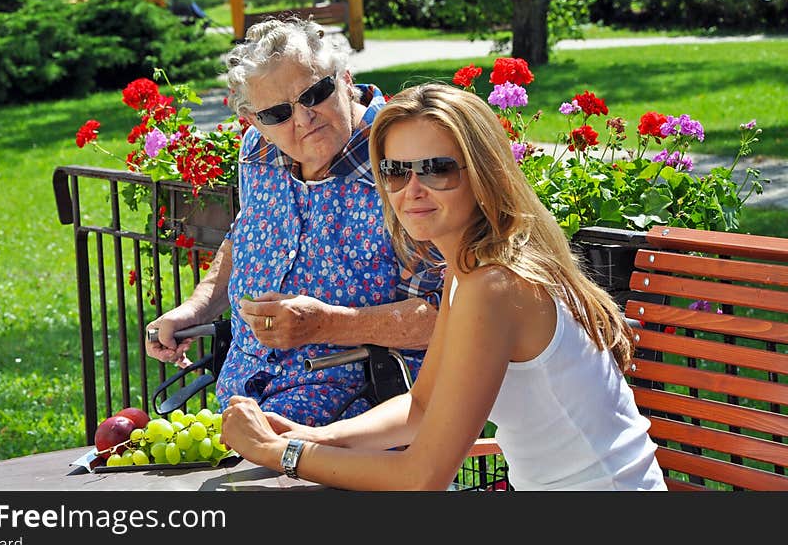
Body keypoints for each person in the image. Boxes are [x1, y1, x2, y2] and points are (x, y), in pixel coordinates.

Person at [220, 82, 667, 491]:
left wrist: (278, 453)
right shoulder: (471, 266)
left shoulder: (494, 284)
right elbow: (422, 406)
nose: (410, 190)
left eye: (436, 169)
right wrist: (318, 437)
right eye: (395, 171)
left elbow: (423, 477)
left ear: (483, 173)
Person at [145, 18, 442, 426]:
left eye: (315, 94)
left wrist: (326, 325)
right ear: (254, 121)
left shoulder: (402, 157)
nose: (303, 119)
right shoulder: (257, 150)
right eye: (278, 113)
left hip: (356, 416)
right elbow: (243, 239)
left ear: (346, 79)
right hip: (241, 402)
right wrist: (195, 309)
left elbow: (446, 316)